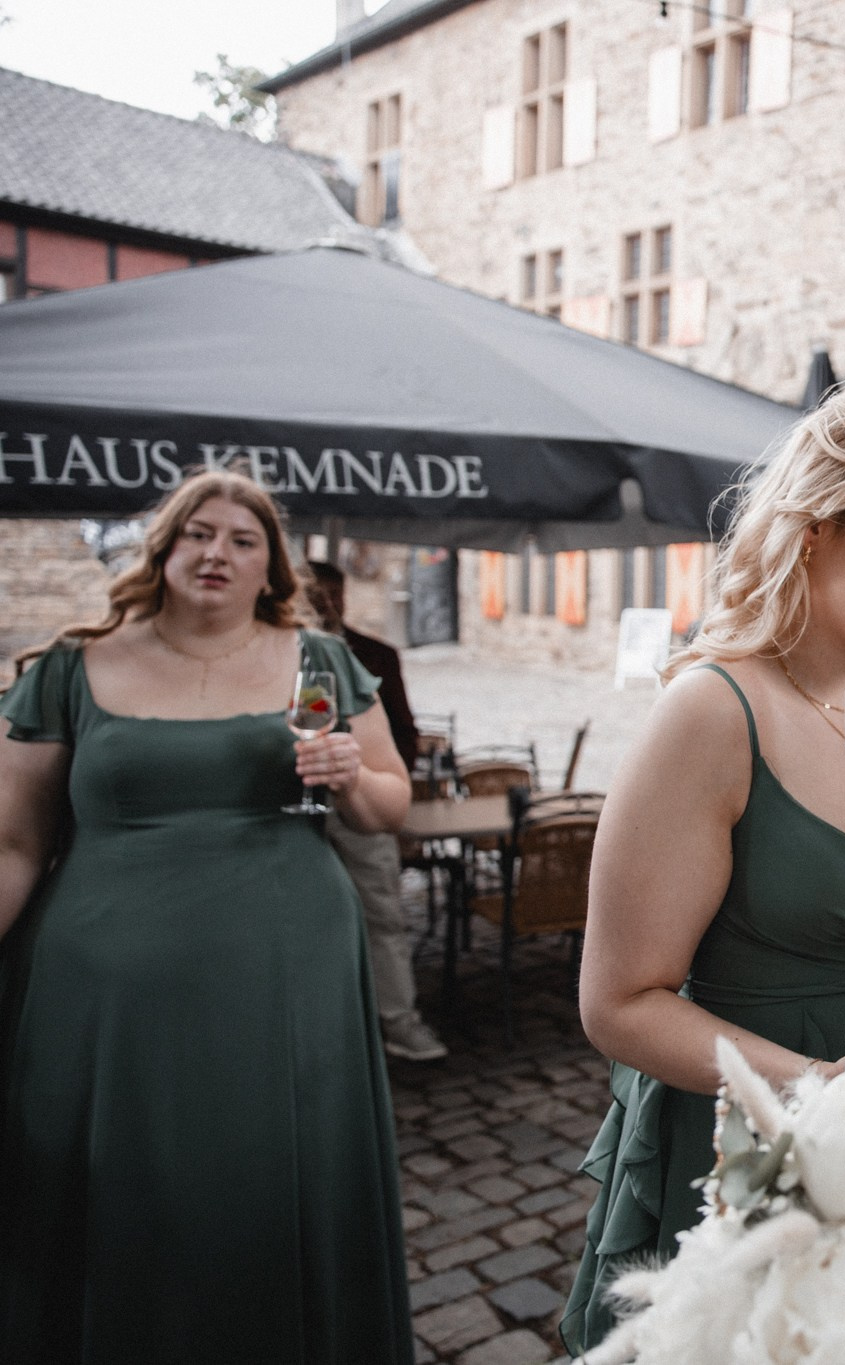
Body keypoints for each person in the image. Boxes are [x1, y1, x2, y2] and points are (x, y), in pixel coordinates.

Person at [560, 387, 845, 1355]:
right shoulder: (713, 713)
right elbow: (618, 1004)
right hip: (745, 1132)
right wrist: (819, 1091)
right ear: (815, 529)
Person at [0, 470, 415, 1364]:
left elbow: (389, 805)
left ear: (271, 566)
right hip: (102, 997)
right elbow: (14, 842)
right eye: (198, 532)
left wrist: (350, 775)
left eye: (242, 538)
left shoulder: (319, 661)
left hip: (283, 977)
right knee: (112, 1194)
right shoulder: (72, 663)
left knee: (263, 1188)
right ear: (163, 546)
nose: (216, 551)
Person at [306, 560, 447, 1063]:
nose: (324, 603)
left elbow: (405, 734)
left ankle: (398, 1021)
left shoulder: (373, 654)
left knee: (382, 915)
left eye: (331, 594)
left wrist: (389, 785)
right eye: (313, 593)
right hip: (299, 812)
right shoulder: (278, 653)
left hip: (364, 802)